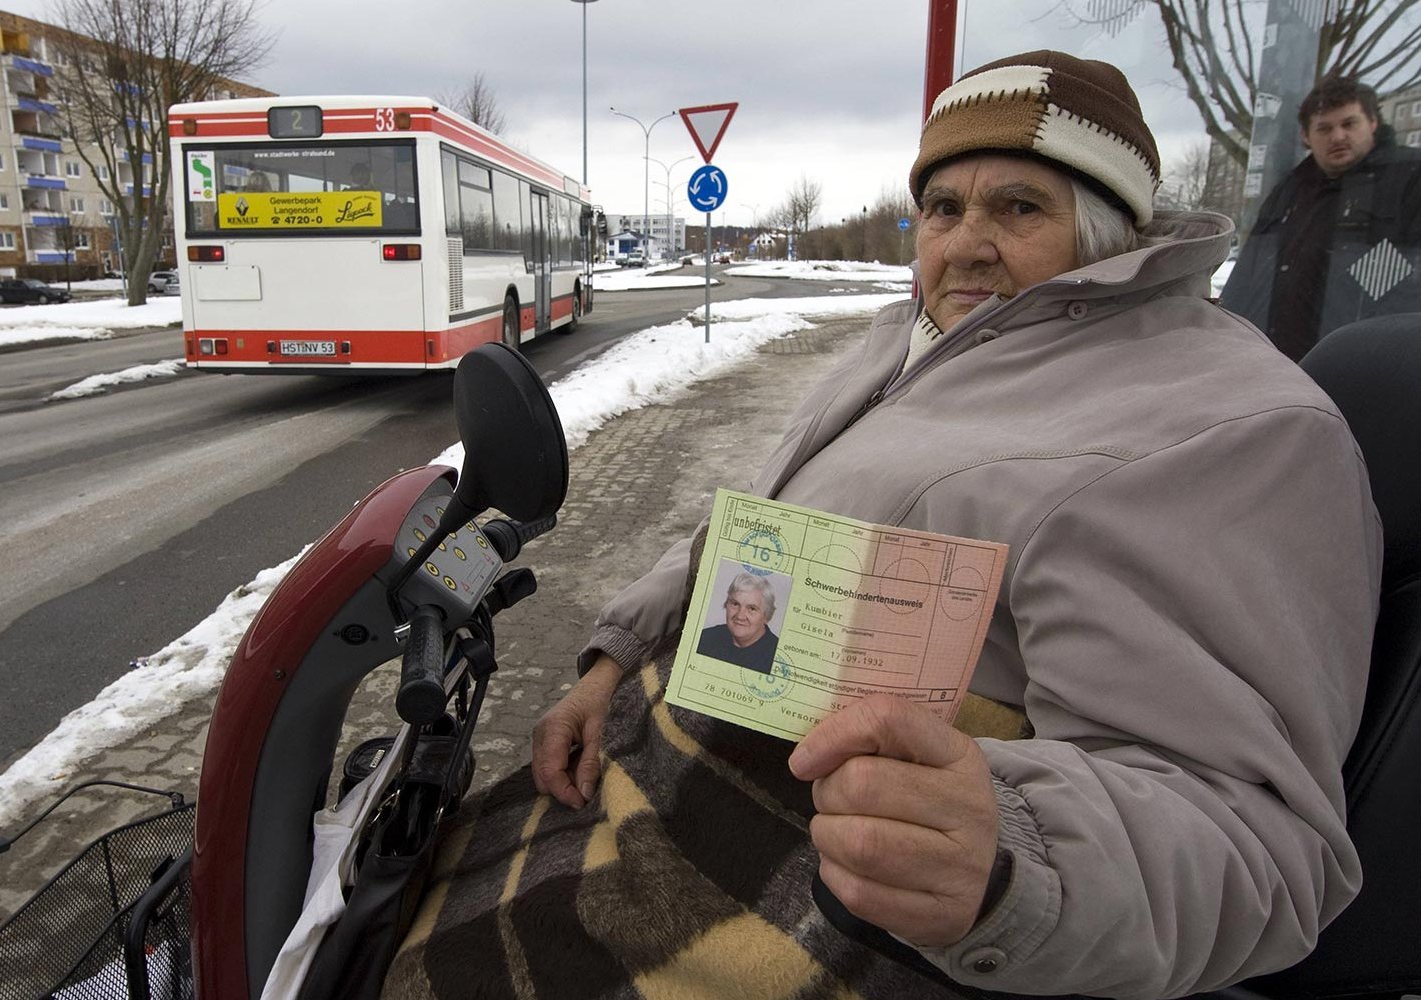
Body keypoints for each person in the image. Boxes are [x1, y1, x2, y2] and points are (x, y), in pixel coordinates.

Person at [519, 50, 1381, 1000]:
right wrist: (618, 653)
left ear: (1110, 235)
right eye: (943, 209)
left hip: (821, 908)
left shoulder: (1230, 431)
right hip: (656, 794)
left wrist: (1008, 859)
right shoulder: (914, 339)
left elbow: (1254, 839)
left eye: (1019, 207)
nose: (965, 244)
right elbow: (763, 530)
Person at [1220, 75, 1421, 361]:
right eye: (1324, 128)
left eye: (1349, 124)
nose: (1338, 136)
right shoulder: (1291, 189)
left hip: (1367, 367)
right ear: (1306, 136)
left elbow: (1409, 286)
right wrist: (1227, 339)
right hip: (1276, 366)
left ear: (1373, 123)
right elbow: (1249, 272)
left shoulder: (1410, 178)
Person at [695, 571, 781, 674]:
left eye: (752, 609)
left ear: (766, 616)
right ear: (726, 605)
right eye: (735, 604)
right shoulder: (704, 638)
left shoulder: (777, 658)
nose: (740, 616)